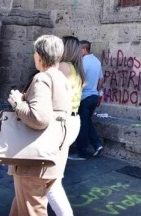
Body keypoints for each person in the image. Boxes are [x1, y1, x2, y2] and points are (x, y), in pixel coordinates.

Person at [6, 35, 73, 216]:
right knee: (22, 207)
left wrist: (17, 103)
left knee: (30, 209)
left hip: (34, 162)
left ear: (40, 56)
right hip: (52, 157)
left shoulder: (42, 78)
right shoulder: (62, 79)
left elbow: (39, 118)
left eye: (35, 52)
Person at [46, 36, 85, 216]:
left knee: (50, 179)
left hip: (60, 123)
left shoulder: (63, 67)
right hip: (73, 121)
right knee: (49, 174)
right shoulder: (78, 70)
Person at [68, 40, 103, 160]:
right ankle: (97, 144)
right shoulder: (97, 61)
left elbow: (78, 80)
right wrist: (97, 91)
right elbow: (101, 80)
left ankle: (81, 153)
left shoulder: (82, 62)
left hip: (84, 97)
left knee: (82, 125)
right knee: (87, 121)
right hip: (94, 96)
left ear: (84, 49)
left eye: (79, 50)